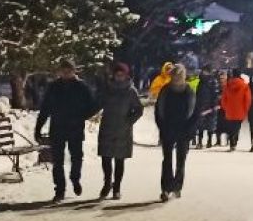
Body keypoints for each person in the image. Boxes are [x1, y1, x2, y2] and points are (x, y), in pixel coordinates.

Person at [33, 60, 98, 201]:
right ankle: (59, 190)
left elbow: (93, 106)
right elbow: (45, 109)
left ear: (74, 71)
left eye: (69, 70)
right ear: (59, 72)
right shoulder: (53, 87)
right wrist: (38, 127)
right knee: (57, 161)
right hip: (58, 128)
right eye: (63, 71)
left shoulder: (81, 87)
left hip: (75, 128)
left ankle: (75, 179)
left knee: (76, 158)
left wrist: (81, 116)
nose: (66, 73)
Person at [94, 62, 144, 199]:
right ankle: (107, 183)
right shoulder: (107, 89)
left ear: (126, 75)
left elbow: (139, 110)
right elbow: (98, 103)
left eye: (122, 74)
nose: (119, 77)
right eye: (117, 74)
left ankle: (117, 188)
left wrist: (129, 121)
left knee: (119, 160)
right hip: (107, 127)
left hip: (123, 129)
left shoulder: (131, 91)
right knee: (105, 157)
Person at [154, 70, 196, 201]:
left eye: (179, 75)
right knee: (167, 160)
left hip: (184, 130)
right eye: (174, 75)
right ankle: (166, 188)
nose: (177, 78)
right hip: (168, 128)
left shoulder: (189, 91)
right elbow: (159, 110)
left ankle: (177, 186)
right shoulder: (165, 90)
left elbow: (194, 112)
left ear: (183, 76)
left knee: (181, 160)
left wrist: (190, 129)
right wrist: (162, 126)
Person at [220, 70, 252, 150]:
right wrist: (246, 109)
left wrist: (225, 107)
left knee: (230, 127)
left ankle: (232, 143)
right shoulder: (244, 86)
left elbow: (223, 98)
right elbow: (248, 99)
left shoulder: (227, 85)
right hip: (240, 110)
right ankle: (235, 141)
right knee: (237, 127)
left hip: (229, 110)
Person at [194, 70, 222, 149]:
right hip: (202, 106)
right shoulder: (202, 82)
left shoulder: (212, 82)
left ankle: (208, 141)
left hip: (209, 107)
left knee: (209, 125)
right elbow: (198, 94)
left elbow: (215, 95)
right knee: (201, 126)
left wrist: (213, 106)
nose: (203, 73)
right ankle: (200, 142)